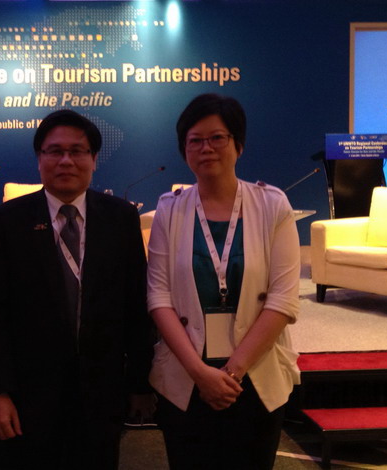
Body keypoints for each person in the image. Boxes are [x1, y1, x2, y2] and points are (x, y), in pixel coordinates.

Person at [0, 109, 155, 470]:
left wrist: (140, 383)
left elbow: (136, 305)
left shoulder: (121, 218)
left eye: (77, 151)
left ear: (94, 159)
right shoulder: (9, 220)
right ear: (39, 158)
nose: (66, 161)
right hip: (31, 395)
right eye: (54, 151)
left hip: (102, 392)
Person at [147, 93, 301, 469]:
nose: (206, 148)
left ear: (238, 144)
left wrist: (231, 372)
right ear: (184, 149)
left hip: (255, 373)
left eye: (217, 137)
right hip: (187, 376)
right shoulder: (169, 209)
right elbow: (158, 297)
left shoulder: (273, 205)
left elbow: (282, 300)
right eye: (195, 140)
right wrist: (201, 374)